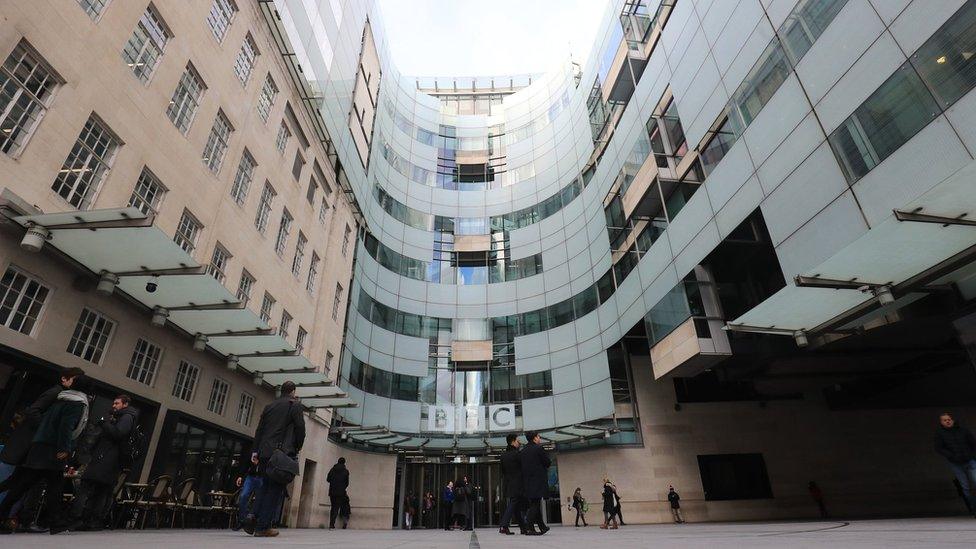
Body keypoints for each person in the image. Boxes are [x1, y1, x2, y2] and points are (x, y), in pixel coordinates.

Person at [0, 376, 90, 535]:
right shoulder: (76, 403)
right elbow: (66, 426)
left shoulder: (61, 399)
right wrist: (65, 447)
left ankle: (53, 520)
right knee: (49, 485)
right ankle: (55, 521)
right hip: (52, 449)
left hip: (40, 446)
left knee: (23, 483)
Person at [66, 395, 138, 531]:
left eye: (117, 403)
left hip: (105, 459)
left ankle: (76, 518)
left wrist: (104, 424)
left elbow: (118, 434)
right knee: (101, 491)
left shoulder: (126, 417)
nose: (114, 405)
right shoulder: (122, 417)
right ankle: (91, 521)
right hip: (108, 459)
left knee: (87, 488)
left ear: (125, 404)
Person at [245, 381, 305, 538]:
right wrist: (297, 447)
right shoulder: (295, 405)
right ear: (293, 391)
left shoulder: (269, 406)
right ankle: (263, 527)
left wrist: (255, 451)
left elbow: (260, 430)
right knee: (276, 489)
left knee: (265, 486)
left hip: (264, 452)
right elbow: (300, 429)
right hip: (281, 453)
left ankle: (252, 516)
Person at [934, 412, 976, 514]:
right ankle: (973, 508)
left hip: (970, 461)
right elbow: (939, 448)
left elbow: (973, 443)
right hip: (956, 464)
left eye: (948, 419)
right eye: (944, 420)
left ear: (952, 420)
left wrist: (973, 456)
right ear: (941, 423)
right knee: (965, 487)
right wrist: (951, 456)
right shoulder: (940, 434)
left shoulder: (963, 431)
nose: (947, 421)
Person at [520, 432, 550, 535]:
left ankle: (542, 527)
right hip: (537, 480)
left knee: (534, 503)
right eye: (538, 437)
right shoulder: (538, 448)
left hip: (527, 482)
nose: (539, 438)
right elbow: (547, 462)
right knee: (535, 504)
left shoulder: (522, 451)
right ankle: (529, 527)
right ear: (534, 438)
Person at [499, 433, 527, 535]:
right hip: (518, 484)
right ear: (513, 441)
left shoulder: (503, 456)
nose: (519, 442)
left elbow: (502, 471)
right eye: (517, 440)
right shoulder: (517, 454)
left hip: (508, 484)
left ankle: (523, 528)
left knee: (516, 506)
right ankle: (504, 525)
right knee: (514, 503)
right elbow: (524, 469)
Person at [234, 448, 262, 531]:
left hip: (261, 478)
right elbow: (245, 464)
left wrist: (259, 464)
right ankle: (242, 520)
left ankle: (255, 522)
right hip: (251, 477)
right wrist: (240, 476)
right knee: (243, 496)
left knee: (259, 500)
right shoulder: (252, 451)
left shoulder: (267, 451)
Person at [326, 457, 349, 529]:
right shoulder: (346, 471)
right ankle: (332, 524)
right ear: (344, 462)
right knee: (336, 508)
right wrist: (342, 487)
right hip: (340, 492)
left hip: (332, 491)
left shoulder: (332, 470)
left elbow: (328, 479)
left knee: (333, 507)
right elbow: (347, 483)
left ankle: (331, 523)